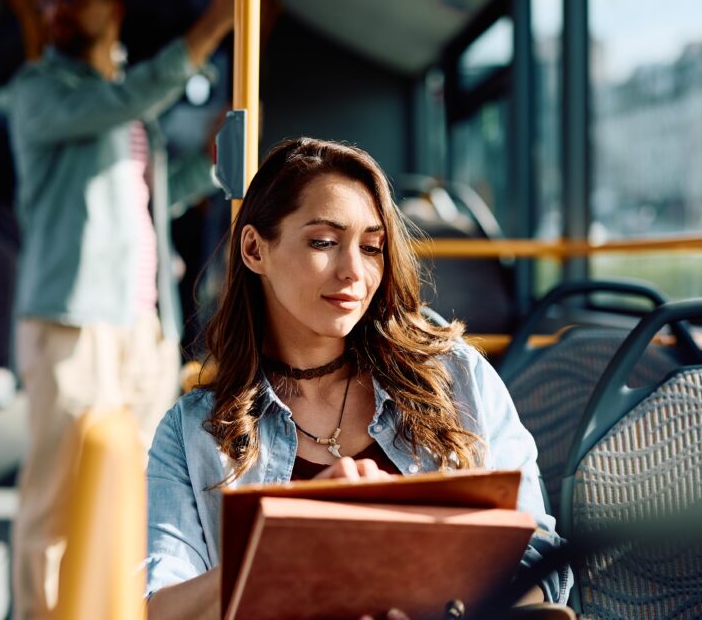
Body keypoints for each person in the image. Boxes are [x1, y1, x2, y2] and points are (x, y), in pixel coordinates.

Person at [145, 138, 571, 620]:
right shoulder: (191, 432)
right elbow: (162, 609)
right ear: (254, 248)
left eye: (371, 248)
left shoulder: (456, 377)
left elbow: (542, 561)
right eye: (324, 242)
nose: (354, 272)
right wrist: (290, 540)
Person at [5, 0, 233, 617]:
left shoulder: (125, 106)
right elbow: (127, 99)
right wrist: (212, 28)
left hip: (140, 325)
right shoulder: (40, 91)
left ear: (114, 9)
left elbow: (155, 195)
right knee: (56, 495)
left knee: (135, 489)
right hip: (71, 322)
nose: (54, 10)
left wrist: (220, 152)